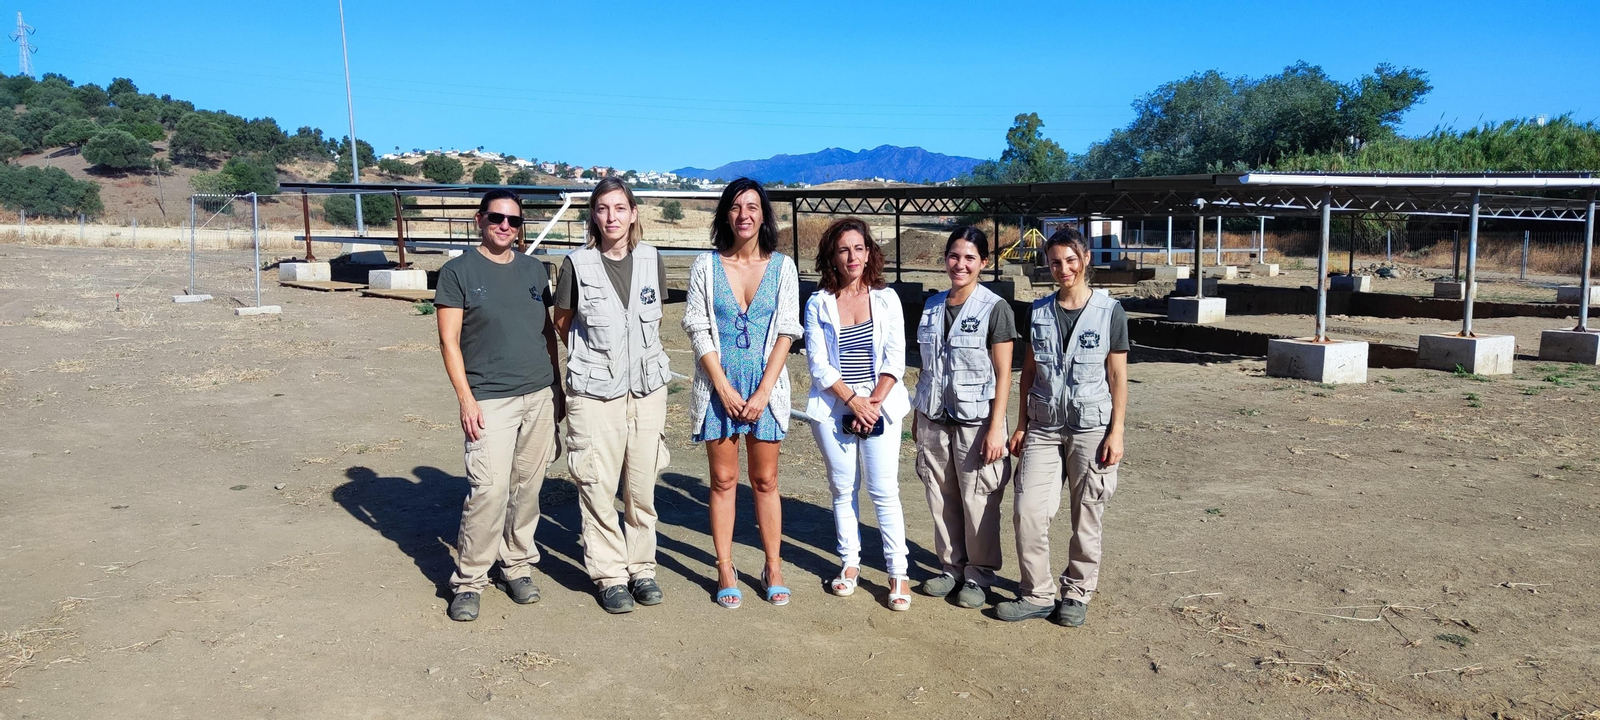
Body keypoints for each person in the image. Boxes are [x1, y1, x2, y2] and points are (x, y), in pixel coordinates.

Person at [434, 188, 565, 622]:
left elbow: (547, 335)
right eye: (496, 218)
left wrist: (557, 389)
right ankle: (469, 579)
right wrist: (465, 399)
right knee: (488, 490)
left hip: (538, 394)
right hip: (489, 397)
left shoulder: (533, 270)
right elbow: (449, 342)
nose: (505, 226)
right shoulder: (458, 272)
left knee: (527, 488)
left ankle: (517, 564)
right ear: (479, 220)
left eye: (514, 220)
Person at [551, 178, 672, 614]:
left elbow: (651, 323)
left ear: (634, 213)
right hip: (595, 393)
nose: (611, 218)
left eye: (620, 208)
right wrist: (598, 362)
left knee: (641, 486)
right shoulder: (576, 264)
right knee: (598, 485)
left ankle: (641, 568)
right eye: (602, 209)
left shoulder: (652, 259)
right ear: (593, 216)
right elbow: (563, 322)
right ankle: (609, 575)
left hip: (646, 390)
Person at [681, 177, 802, 609]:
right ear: (725, 215)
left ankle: (773, 565)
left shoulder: (783, 267)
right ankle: (725, 566)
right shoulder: (705, 266)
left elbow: (788, 330)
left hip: (765, 386)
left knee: (765, 480)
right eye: (735, 207)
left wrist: (765, 391)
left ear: (764, 214)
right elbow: (696, 327)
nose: (744, 214)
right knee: (723, 480)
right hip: (719, 385)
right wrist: (722, 387)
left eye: (752, 206)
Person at [998, 227, 1128, 627]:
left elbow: (1117, 375)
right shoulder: (1037, 312)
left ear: (1085, 259)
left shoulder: (1110, 312)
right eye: (1055, 262)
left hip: (1091, 428)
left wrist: (1116, 431)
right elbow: (1029, 371)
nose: (1063, 268)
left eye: (1070, 260)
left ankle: (1076, 593)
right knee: (1028, 510)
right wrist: (1020, 424)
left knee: (1087, 513)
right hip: (1043, 427)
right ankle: (1037, 592)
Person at [803, 218, 912, 611]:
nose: (853, 257)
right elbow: (818, 364)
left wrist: (873, 403)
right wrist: (853, 402)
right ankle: (850, 563)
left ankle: (898, 572)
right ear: (832, 255)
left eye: (859, 248)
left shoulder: (887, 299)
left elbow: (895, 358)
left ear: (870, 253)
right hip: (835, 408)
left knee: (884, 491)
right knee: (843, 488)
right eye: (844, 249)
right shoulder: (818, 303)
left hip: (880, 405)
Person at [913, 226, 1017, 610]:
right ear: (945, 260)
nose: (960, 264)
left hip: (977, 422)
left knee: (979, 499)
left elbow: (1004, 373)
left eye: (970, 258)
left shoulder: (994, 308)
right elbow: (928, 368)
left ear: (983, 263)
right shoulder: (931, 306)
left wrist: (997, 428)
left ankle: (979, 575)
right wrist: (917, 417)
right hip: (934, 418)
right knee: (939, 494)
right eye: (954, 256)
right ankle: (950, 568)